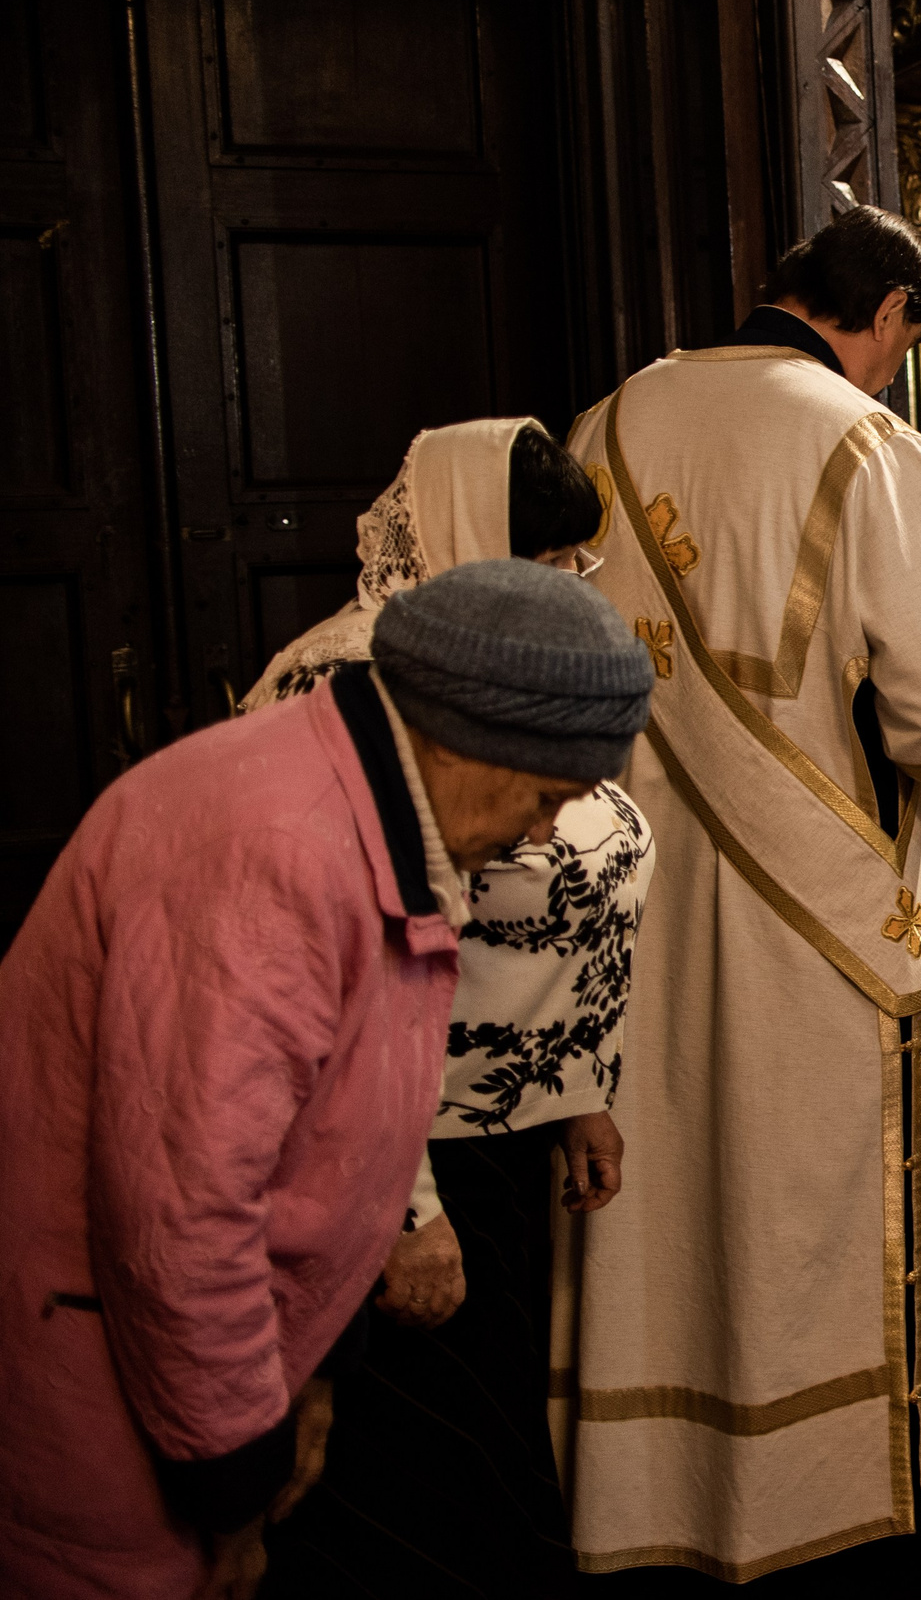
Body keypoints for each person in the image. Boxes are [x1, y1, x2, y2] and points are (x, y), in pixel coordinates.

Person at [0, 559, 654, 1600]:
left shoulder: (368, 799)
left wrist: (314, 1364)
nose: (541, 833)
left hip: (202, 1378)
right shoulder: (273, 853)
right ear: (462, 738)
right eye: (545, 796)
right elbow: (187, 1220)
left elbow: (331, 1127)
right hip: (107, 1397)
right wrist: (232, 1496)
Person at [557, 204, 921, 1591]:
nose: (889, 372)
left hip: (623, 909)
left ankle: (665, 1515)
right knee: (814, 1211)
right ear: (887, 315)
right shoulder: (862, 440)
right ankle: (841, 1535)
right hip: (813, 932)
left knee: (670, 1209)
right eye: (900, 348)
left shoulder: (605, 424)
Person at [240, 419, 656, 1598]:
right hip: (393, 1149)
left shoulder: (511, 674)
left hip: (502, 1138)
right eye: (547, 560)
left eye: (578, 561)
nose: (571, 585)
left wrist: (578, 1094)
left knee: (492, 1456)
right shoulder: (342, 681)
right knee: (414, 1483)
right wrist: (406, 1207)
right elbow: (351, 978)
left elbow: (569, 906)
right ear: (469, 542)